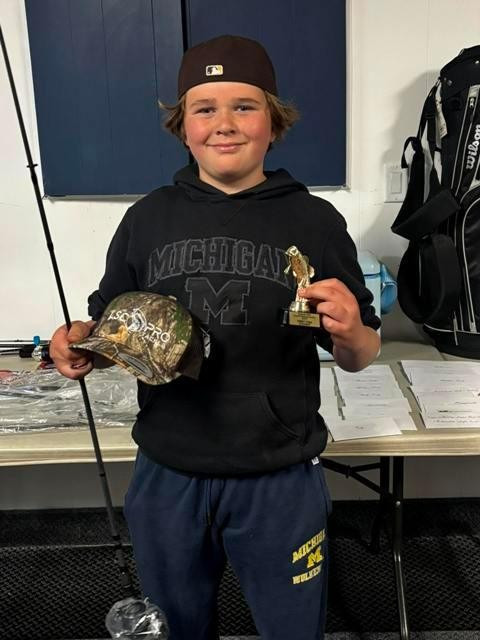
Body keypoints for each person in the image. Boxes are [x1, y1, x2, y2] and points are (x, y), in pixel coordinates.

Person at [50, 34, 380, 640]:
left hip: (279, 477)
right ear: (184, 127)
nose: (224, 123)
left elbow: (361, 355)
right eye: (205, 109)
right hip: (167, 472)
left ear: (273, 122)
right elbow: (106, 330)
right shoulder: (147, 218)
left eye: (244, 106)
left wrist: (352, 329)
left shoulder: (315, 221)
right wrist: (76, 345)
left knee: (292, 630)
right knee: (176, 627)